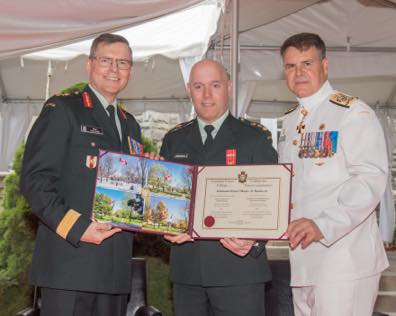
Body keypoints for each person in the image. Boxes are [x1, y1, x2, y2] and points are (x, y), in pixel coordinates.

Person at [20, 33, 142, 316]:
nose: (114, 69)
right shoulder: (63, 109)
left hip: (114, 271)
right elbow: (35, 181)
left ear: (130, 71)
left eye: (122, 62)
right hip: (69, 267)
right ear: (89, 65)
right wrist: (78, 228)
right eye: (106, 60)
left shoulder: (130, 125)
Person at [278, 32, 389, 316]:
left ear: (325, 66)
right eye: (291, 66)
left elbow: (369, 180)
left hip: (343, 259)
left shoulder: (353, 113)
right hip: (303, 260)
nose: (298, 72)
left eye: (307, 63)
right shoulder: (291, 121)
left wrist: (323, 225)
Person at [160, 59, 278, 316]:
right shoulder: (174, 140)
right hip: (187, 272)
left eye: (214, 85)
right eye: (199, 86)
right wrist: (164, 226)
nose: (206, 95)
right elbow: (166, 201)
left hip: (239, 270)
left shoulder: (255, 138)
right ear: (189, 89)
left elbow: (271, 202)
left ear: (228, 87)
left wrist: (255, 241)